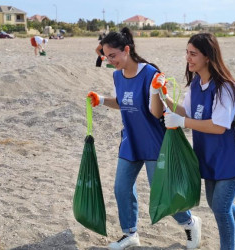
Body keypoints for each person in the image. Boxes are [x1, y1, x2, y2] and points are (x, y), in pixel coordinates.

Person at [87, 27, 201, 250]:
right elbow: (122, 102)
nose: (110, 61)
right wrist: (101, 100)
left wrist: (158, 91)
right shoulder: (117, 75)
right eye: (106, 57)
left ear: (126, 50)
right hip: (130, 140)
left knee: (162, 191)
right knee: (121, 188)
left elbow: (157, 112)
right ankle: (130, 234)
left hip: (154, 141)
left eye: (113, 56)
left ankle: (189, 222)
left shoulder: (150, 73)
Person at [150, 33, 235, 250]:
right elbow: (187, 112)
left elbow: (218, 126)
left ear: (208, 56)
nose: (188, 58)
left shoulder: (225, 88)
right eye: (187, 53)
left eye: (193, 54)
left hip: (233, 157)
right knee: (216, 202)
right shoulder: (196, 85)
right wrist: (162, 94)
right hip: (209, 156)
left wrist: (182, 122)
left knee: (220, 207)